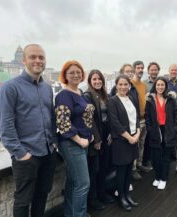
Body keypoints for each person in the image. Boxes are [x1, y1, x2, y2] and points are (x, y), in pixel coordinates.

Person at [0, 44, 57, 217]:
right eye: (33, 57)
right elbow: (5, 126)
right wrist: (21, 154)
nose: (38, 60)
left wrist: (54, 142)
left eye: (41, 57)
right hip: (27, 156)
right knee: (23, 200)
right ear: (23, 60)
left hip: (48, 152)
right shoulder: (10, 87)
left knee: (42, 194)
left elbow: (51, 117)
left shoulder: (46, 88)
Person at [55, 60, 98, 217]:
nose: (75, 75)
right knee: (83, 184)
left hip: (83, 142)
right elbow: (63, 123)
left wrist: (89, 134)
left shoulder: (80, 93)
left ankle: (71, 213)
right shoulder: (63, 95)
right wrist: (80, 140)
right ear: (65, 75)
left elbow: (84, 117)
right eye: (71, 72)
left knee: (74, 182)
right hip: (72, 144)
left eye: (78, 72)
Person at [84, 70, 115, 211]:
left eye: (99, 79)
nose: (97, 81)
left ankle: (102, 193)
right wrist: (96, 139)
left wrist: (110, 134)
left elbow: (110, 117)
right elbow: (90, 121)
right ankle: (93, 198)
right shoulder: (87, 96)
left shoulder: (105, 96)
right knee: (94, 170)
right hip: (95, 138)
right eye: (94, 79)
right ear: (90, 81)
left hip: (106, 135)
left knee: (103, 167)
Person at [108, 75, 140, 211]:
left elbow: (136, 117)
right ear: (116, 85)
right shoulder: (113, 101)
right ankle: (121, 197)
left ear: (129, 86)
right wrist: (129, 137)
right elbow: (115, 123)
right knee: (121, 171)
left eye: (125, 84)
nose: (123, 87)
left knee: (129, 170)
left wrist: (137, 133)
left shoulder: (131, 98)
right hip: (121, 141)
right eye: (120, 84)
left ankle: (127, 194)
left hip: (133, 138)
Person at [145, 77, 177, 190]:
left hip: (168, 130)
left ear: (166, 86)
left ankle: (163, 178)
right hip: (155, 130)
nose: (160, 87)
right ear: (155, 86)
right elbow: (147, 117)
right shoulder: (150, 100)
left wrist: (175, 129)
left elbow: (176, 115)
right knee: (155, 157)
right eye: (158, 85)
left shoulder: (170, 99)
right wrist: (150, 130)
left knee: (166, 157)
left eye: (162, 85)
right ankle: (157, 176)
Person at [131, 61, 152, 177]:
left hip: (144, 117)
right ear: (134, 69)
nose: (140, 70)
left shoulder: (143, 85)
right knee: (135, 144)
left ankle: (139, 164)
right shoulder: (130, 83)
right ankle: (133, 169)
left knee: (142, 143)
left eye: (142, 68)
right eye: (138, 68)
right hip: (135, 120)